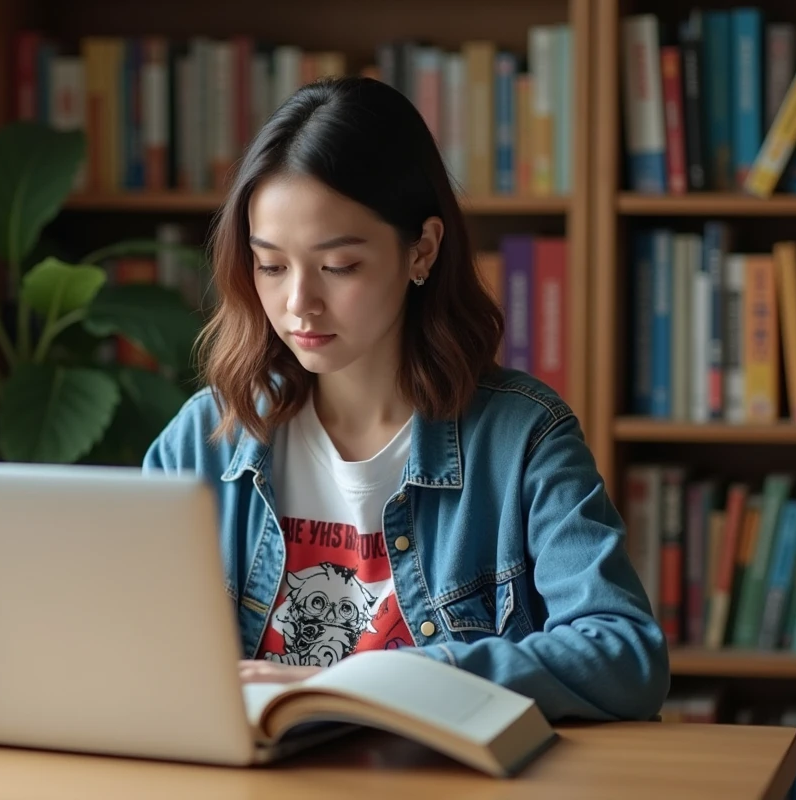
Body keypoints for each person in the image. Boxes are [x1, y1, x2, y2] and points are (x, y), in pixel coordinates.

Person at [142, 76, 669, 722]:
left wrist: (384, 680)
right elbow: (128, 654)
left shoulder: (521, 439)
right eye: (271, 266)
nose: (298, 303)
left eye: (338, 267)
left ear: (421, 250)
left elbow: (624, 656)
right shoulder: (205, 440)